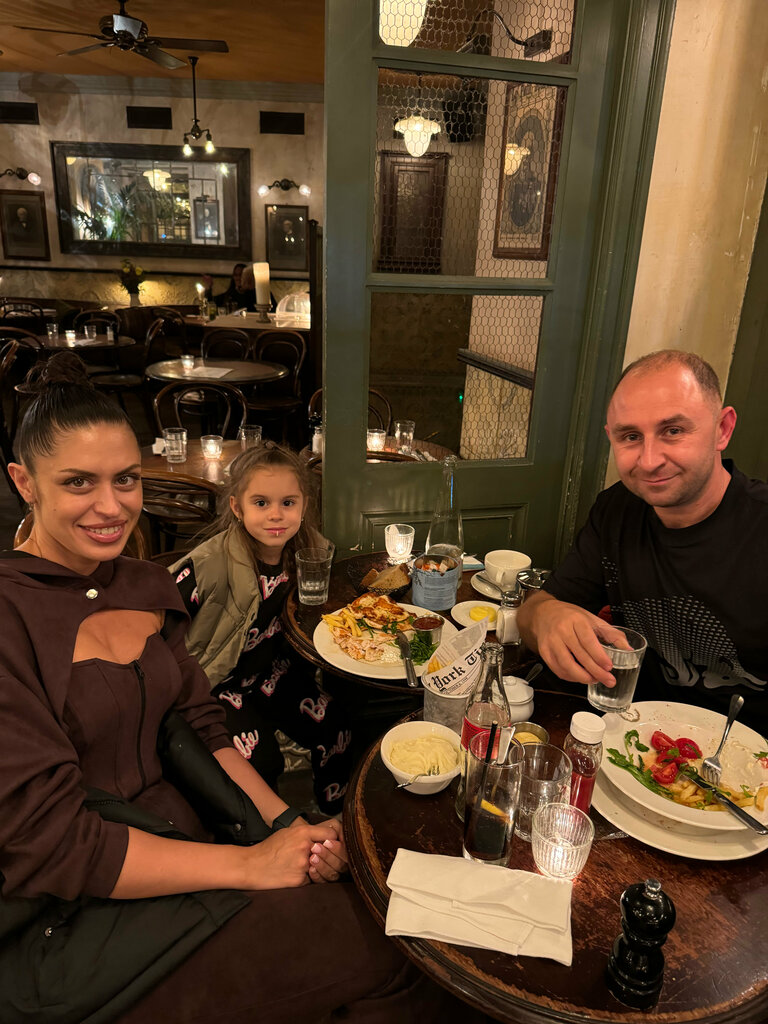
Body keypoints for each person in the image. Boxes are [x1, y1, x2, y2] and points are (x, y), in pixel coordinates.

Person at [0, 352, 461, 1024]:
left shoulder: (144, 586)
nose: (110, 506)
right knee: (390, 952)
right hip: (83, 915)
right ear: (24, 482)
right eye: (78, 482)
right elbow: (57, 846)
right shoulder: (11, 616)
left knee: (392, 913)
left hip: (199, 840)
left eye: (125, 479)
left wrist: (287, 825)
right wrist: (251, 867)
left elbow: (201, 725)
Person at [517, 349, 768, 733]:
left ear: (722, 429)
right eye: (631, 437)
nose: (649, 461)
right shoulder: (617, 509)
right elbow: (533, 611)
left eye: (673, 431)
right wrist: (546, 616)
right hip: (630, 740)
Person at [169, 443, 353, 816]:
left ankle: (335, 817)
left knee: (337, 723)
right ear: (237, 508)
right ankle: (265, 832)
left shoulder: (311, 553)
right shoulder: (210, 564)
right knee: (262, 758)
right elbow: (161, 616)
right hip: (217, 685)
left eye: (288, 503)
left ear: (304, 506)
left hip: (272, 674)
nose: (276, 515)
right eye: (261, 503)